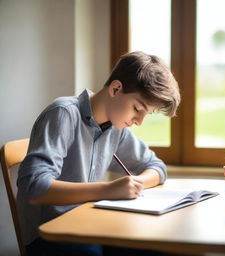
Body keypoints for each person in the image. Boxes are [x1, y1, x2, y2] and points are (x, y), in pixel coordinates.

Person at [17, 51, 180, 256]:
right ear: (116, 88)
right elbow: (34, 186)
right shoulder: (63, 114)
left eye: (146, 114)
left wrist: (134, 184)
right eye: (137, 108)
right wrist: (108, 190)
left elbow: (157, 167)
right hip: (49, 236)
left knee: (163, 248)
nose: (139, 121)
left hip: (90, 225)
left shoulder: (116, 128)